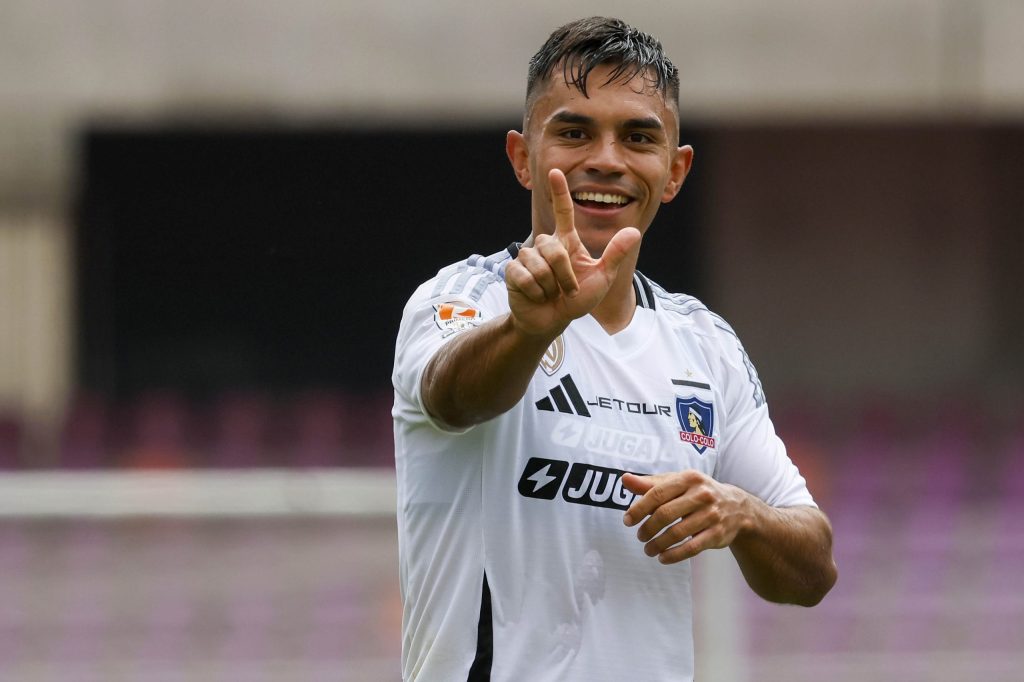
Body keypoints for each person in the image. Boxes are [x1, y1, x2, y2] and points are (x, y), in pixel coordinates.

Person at [392, 16, 837, 682]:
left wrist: (742, 514)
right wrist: (528, 331)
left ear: (675, 171)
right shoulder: (462, 299)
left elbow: (813, 569)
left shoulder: (704, 345)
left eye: (638, 137)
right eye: (574, 133)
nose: (606, 159)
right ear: (522, 158)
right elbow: (453, 400)